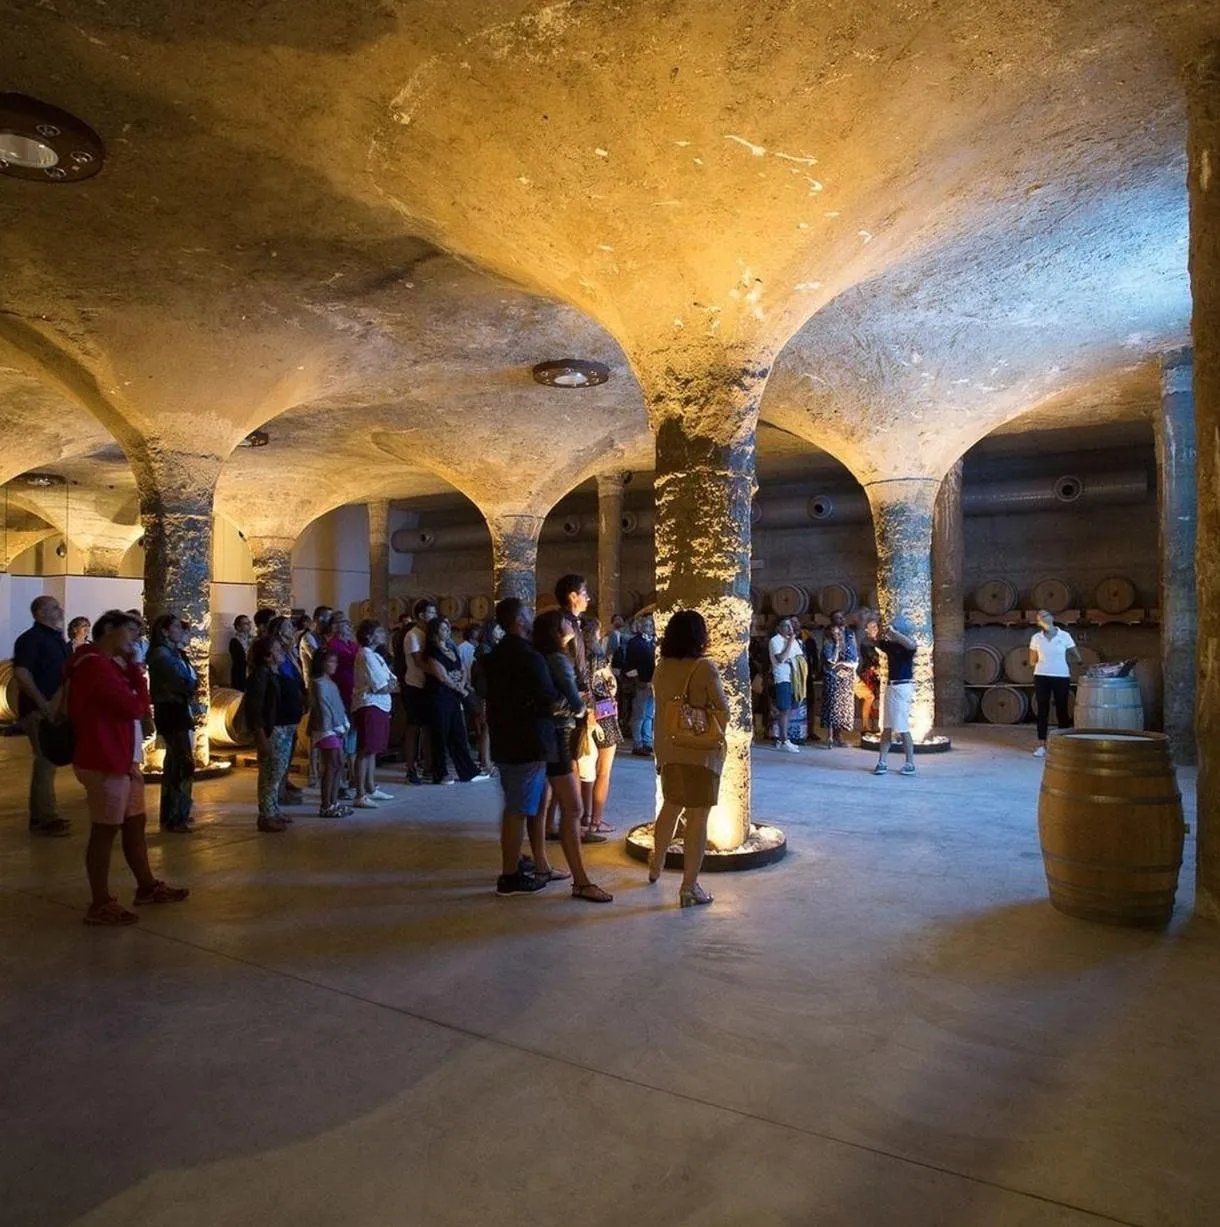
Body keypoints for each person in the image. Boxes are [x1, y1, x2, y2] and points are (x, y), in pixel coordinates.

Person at [67, 610, 189, 925]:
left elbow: (136, 705)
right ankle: (100, 902)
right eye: (130, 630)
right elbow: (134, 707)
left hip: (124, 758)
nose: (135, 638)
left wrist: (133, 672)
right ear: (109, 629)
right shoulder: (93, 665)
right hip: (105, 758)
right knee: (104, 831)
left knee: (135, 825)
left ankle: (147, 887)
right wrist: (136, 669)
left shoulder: (109, 665)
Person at [481, 597, 569, 896]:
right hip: (527, 741)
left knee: (518, 806)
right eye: (527, 614)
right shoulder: (530, 657)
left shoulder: (493, 656)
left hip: (505, 738)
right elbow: (547, 695)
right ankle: (509, 875)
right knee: (518, 810)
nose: (532, 618)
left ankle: (523, 862)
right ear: (519, 621)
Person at [650, 609, 729, 907]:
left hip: (670, 749)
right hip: (699, 753)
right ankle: (689, 886)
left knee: (670, 807)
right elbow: (723, 710)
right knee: (698, 817)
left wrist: (660, 752)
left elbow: (660, 715)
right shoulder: (704, 667)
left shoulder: (662, 667)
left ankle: (656, 865)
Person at [533, 609, 613, 903]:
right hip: (560, 734)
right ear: (557, 629)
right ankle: (581, 881)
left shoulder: (541, 655)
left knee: (542, 806)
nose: (574, 624)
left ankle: (542, 865)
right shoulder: (558, 659)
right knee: (574, 808)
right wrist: (582, 706)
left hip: (542, 734)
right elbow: (576, 702)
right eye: (568, 621)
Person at [12, 595, 71, 837]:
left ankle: (43, 814)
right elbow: (22, 672)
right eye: (54, 608)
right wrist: (42, 703)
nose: (60, 610)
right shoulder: (31, 639)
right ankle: (45, 818)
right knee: (45, 760)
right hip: (39, 709)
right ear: (39, 613)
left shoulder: (57, 639)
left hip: (54, 708)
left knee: (47, 761)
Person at [147, 613, 200, 833]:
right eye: (177, 627)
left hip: (177, 710)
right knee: (181, 763)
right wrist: (190, 685)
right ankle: (176, 815)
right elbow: (181, 681)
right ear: (165, 631)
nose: (181, 630)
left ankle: (174, 811)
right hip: (171, 711)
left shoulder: (174, 653)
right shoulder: (161, 654)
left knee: (175, 762)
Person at [423, 615, 486, 785]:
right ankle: (440, 773)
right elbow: (441, 676)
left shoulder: (451, 647)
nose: (447, 631)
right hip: (439, 696)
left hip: (453, 696)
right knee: (440, 735)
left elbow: (462, 668)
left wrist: (462, 681)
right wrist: (459, 687)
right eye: (443, 629)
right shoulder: (432, 652)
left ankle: (467, 771)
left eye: (448, 628)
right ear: (435, 633)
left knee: (458, 733)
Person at [580, 615, 622, 836]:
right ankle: (596, 821)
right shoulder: (598, 657)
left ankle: (584, 817)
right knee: (603, 772)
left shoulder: (572, 658)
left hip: (580, 716)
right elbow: (607, 687)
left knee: (584, 772)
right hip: (603, 715)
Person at [245, 635, 290, 832]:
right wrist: (260, 734)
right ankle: (266, 814)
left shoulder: (273, 672)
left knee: (277, 771)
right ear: (267, 655)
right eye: (278, 650)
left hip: (280, 728)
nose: (282, 652)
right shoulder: (260, 674)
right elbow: (255, 708)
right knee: (269, 774)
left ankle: (273, 809)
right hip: (270, 730)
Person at [352, 619, 398, 807]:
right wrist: (389, 685)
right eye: (379, 632)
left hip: (379, 706)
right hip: (370, 705)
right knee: (365, 750)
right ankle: (360, 793)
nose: (383, 635)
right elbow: (381, 686)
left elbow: (393, 679)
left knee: (372, 750)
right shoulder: (366, 656)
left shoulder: (375, 655)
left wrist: (390, 684)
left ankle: (370, 786)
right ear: (369, 636)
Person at [868, 615, 919, 776]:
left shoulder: (908, 647)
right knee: (887, 727)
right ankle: (882, 761)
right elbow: (873, 641)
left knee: (903, 728)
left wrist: (893, 632)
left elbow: (911, 644)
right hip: (891, 687)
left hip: (903, 686)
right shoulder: (891, 646)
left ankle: (910, 763)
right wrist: (869, 626)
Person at [1030, 609, 1082, 757]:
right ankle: (1042, 745)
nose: (1043, 618)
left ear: (1052, 618)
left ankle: (1063, 745)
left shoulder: (1064, 636)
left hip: (1061, 675)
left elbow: (1077, 657)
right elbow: (1032, 660)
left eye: (1045, 615)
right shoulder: (1036, 638)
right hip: (1041, 675)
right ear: (1038, 622)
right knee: (1042, 710)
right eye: (1039, 617)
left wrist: (1063, 662)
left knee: (1062, 709)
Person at [270, 616, 308, 805]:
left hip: (292, 706)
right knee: (279, 756)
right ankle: (276, 795)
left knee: (288, 752)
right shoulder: (275, 652)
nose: (292, 629)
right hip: (281, 709)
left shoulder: (289, 651)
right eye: (287, 627)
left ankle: (283, 787)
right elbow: (283, 677)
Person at [308, 649, 351, 818]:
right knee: (331, 765)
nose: (334, 665)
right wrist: (336, 726)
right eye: (330, 662)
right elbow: (324, 708)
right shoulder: (318, 683)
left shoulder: (330, 682)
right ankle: (326, 804)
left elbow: (337, 705)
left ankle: (333, 802)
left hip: (335, 727)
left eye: (335, 662)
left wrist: (343, 723)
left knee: (338, 763)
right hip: (325, 729)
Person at [399, 599, 436, 785]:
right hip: (414, 685)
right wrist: (439, 672)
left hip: (428, 686)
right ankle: (411, 767)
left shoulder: (429, 634)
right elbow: (418, 662)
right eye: (431, 613)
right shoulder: (412, 635)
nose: (434, 616)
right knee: (414, 727)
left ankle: (429, 766)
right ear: (422, 615)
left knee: (428, 727)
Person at [820, 611, 858, 748]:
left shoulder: (849, 634)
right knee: (831, 704)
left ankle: (838, 735)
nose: (841, 620)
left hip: (846, 675)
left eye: (842, 617)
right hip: (832, 675)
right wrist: (837, 644)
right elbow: (830, 659)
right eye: (837, 618)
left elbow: (854, 655)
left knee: (842, 707)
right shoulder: (828, 635)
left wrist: (846, 664)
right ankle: (829, 736)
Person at [769, 616, 803, 752]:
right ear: (778, 628)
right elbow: (782, 658)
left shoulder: (794, 641)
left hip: (794, 677)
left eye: (790, 626)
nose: (789, 629)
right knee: (784, 709)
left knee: (789, 709)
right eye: (785, 626)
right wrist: (789, 643)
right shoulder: (775, 640)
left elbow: (799, 657)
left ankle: (783, 737)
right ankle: (783, 740)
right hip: (782, 677)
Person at [624, 614, 657, 755]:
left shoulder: (653, 642)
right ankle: (637, 744)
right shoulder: (634, 642)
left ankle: (647, 741)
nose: (648, 628)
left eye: (650, 625)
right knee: (639, 714)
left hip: (653, 683)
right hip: (642, 683)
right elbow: (630, 663)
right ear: (640, 627)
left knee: (649, 714)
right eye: (645, 625)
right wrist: (638, 680)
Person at [855, 621, 880, 733]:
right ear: (866, 629)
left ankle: (875, 724)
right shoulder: (866, 642)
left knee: (876, 700)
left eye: (876, 626)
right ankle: (865, 726)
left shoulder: (877, 641)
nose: (875, 628)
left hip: (878, 673)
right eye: (872, 627)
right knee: (868, 699)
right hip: (869, 673)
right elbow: (872, 657)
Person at [229, 614, 252, 691]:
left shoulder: (253, 638)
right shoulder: (235, 641)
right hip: (242, 672)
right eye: (245, 623)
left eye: (249, 623)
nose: (249, 625)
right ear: (238, 627)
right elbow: (239, 659)